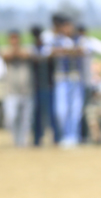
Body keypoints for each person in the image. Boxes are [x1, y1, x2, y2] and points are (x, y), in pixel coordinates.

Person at [50, 14, 88, 147]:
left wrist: (68, 51)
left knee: (76, 109)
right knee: (62, 109)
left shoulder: (79, 39)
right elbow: (50, 52)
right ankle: (65, 135)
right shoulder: (56, 40)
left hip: (75, 77)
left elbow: (83, 50)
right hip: (61, 78)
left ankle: (74, 135)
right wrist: (69, 51)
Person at [0, 30, 34, 147]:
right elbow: (7, 56)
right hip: (11, 91)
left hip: (26, 90)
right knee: (12, 117)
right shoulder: (4, 49)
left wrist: (17, 51)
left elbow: (26, 55)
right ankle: (16, 139)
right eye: (12, 39)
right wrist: (15, 51)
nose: (14, 41)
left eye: (16, 38)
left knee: (26, 119)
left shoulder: (27, 49)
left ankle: (23, 141)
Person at [30, 26, 55, 146]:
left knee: (51, 113)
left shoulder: (47, 49)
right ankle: (37, 139)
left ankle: (55, 138)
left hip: (48, 85)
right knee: (37, 115)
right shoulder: (32, 49)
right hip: (37, 86)